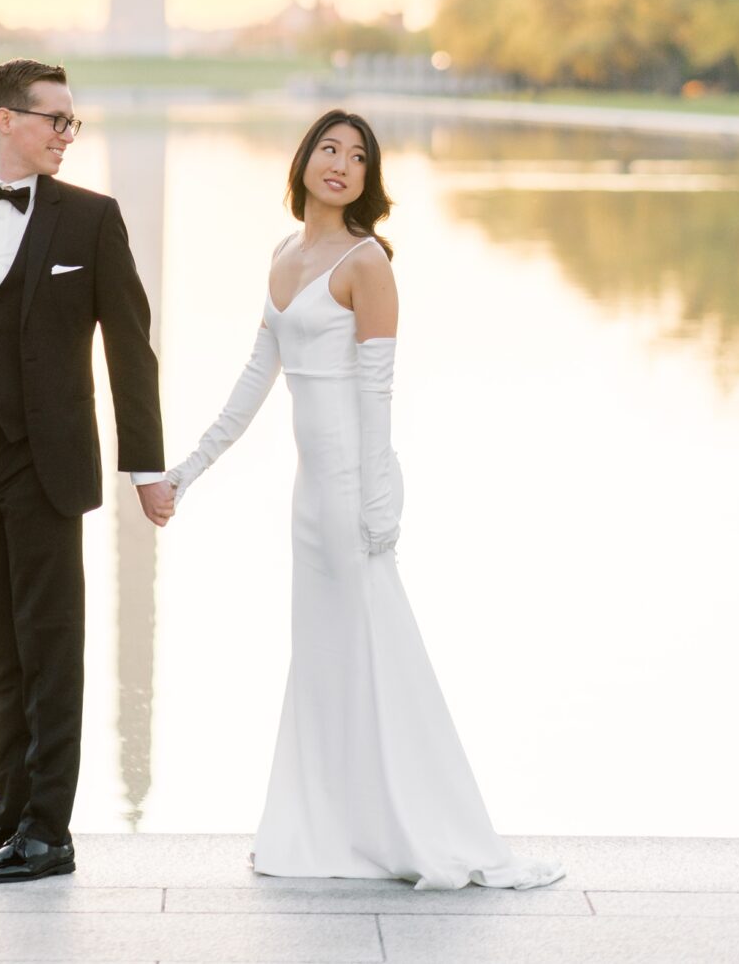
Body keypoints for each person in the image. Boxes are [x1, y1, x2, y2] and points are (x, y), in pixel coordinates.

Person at [162, 109, 565, 891]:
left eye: (357, 156)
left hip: (352, 487)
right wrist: (187, 469)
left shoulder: (367, 261)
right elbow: (254, 381)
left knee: (373, 653)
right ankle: (323, 828)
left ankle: (413, 825)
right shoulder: (283, 255)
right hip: (307, 498)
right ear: (304, 159)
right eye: (328, 148)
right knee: (321, 660)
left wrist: (380, 499)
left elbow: (377, 391)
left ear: (368, 179)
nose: (341, 163)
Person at [0, 58, 169, 883]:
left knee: (51, 648)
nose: (67, 134)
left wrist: (145, 466)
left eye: (71, 121)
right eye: (55, 119)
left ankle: (49, 829)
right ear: (5, 119)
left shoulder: (91, 218)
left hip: (47, 466)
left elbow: (131, 349)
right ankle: (6, 811)